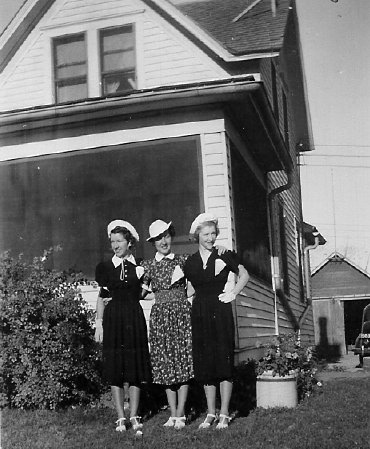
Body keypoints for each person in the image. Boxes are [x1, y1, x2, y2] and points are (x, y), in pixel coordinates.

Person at [183, 213, 250, 430]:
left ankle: (224, 413)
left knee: (223, 359)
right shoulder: (190, 262)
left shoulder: (224, 254)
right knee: (205, 362)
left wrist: (233, 292)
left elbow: (244, 275)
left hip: (220, 309)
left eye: (213, 233)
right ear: (197, 236)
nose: (210, 238)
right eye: (206, 234)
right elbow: (190, 289)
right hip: (200, 312)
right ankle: (210, 412)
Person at [95, 220, 151, 433]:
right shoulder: (105, 268)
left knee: (135, 367)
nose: (116, 245)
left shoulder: (140, 267)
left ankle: (135, 414)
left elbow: (143, 295)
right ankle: (120, 416)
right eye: (112, 241)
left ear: (130, 242)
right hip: (113, 319)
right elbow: (102, 297)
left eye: (119, 241)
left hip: (133, 318)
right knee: (115, 367)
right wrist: (98, 323)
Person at [140, 219, 193, 429]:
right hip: (160, 317)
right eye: (158, 238)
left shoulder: (183, 260)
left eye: (166, 236)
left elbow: (195, 285)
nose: (163, 241)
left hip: (181, 315)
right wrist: (160, 298)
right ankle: (172, 412)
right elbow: (141, 293)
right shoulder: (148, 265)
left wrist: (178, 297)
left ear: (171, 236)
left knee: (183, 359)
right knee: (166, 362)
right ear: (153, 242)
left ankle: (181, 412)